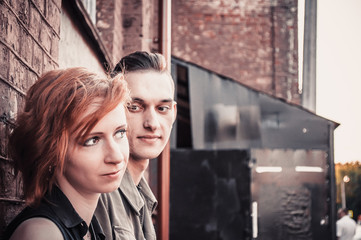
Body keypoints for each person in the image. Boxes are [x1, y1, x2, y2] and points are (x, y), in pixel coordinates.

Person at [3, 67, 130, 240]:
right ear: (52, 151)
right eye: (92, 140)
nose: (116, 157)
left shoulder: (90, 226)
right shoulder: (42, 234)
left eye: (120, 133)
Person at [95, 51, 177, 240]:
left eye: (162, 108)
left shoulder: (141, 194)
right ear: (113, 108)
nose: (152, 123)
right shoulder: (98, 193)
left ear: (173, 112)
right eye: (135, 107)